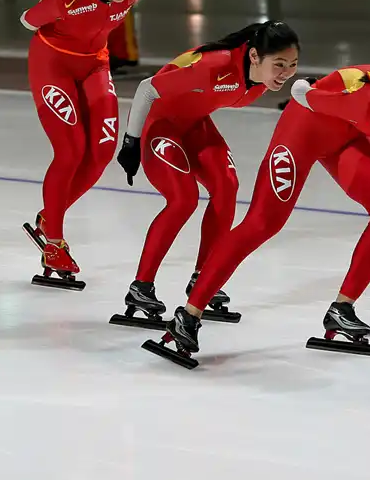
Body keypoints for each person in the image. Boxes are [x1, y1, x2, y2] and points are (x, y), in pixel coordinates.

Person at [145, 61, 370, 367]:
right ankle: (187, 316)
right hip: (303, 129)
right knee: (262, 223)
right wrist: (307, 87)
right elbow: (306, 92)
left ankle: (342, 310)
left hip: (348, 135)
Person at [110, 21, 300, 328]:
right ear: (254, 56)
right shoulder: (215, 66)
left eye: (292, 65)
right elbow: (147, 89)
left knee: (227, 186)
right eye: (279, 64)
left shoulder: (263, 77)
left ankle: (203, 279)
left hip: (194, 124)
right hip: (160, 123)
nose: (285, 73)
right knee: (183, 199)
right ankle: (141, 286)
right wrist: (131, 142)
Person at [19, 0, 147, 289]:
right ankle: (54, 244)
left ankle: (49, 217)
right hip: (52, 65)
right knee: (71, 150)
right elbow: (29, 20)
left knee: (102, 151)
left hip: (95, 64)